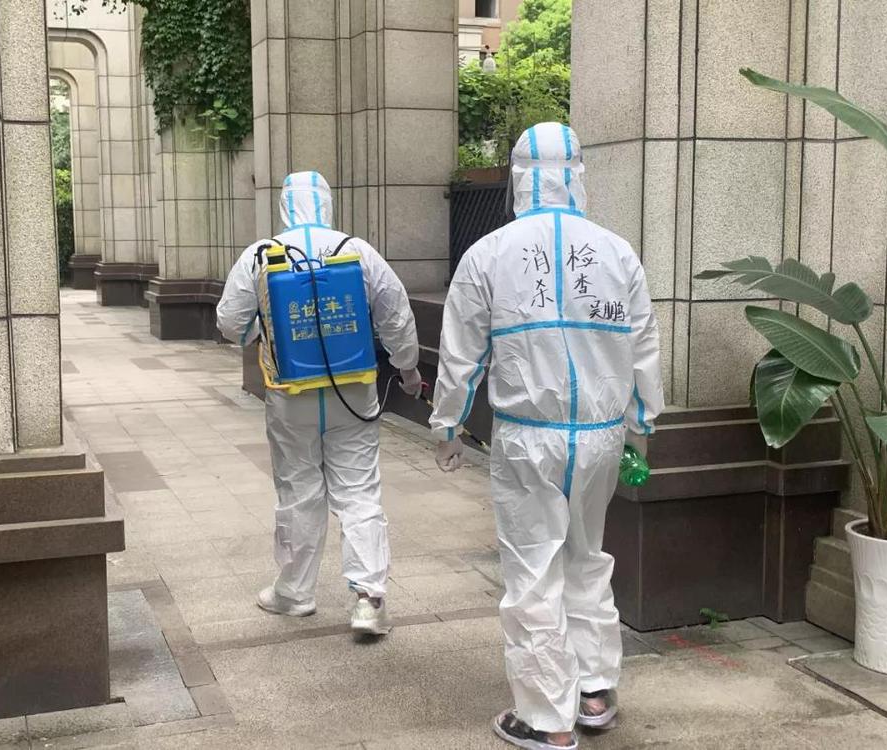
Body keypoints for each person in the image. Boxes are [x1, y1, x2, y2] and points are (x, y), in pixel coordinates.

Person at [429, 123, 663, 749]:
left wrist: (448, 424)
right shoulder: (617, 253)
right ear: (578, 175)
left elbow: (461, 354)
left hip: (527, 438)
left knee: (533, 568)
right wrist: (642, 422)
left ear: (517, 178)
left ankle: (545, 719)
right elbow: (643, 346)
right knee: (587, 557)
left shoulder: (488, 255)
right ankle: (593, 691)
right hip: (601, 436)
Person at [216, 171, 422, 636]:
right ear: (327, 205)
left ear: (284, 207)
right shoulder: (357, 250)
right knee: (359, 490)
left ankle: (294, 593)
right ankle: (369, 600)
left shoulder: (261, 254)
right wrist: (408, 370)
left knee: (298, 490)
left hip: (291, 396)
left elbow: (230, 322)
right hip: (354, 390)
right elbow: (397, 315)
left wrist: (263, 330)